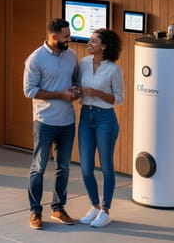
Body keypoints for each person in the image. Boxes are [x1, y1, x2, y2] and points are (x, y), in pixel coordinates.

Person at [23, 18, 82, 230]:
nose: (69, 39)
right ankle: (35, 212)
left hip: (67, 122)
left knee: (63, 168)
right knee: (38, 168)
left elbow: (75, 81)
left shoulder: (71, 56)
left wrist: (75, 91)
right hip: (45, 121)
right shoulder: (36, 59)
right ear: (53, 37)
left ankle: (58, 208)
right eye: (66, 37)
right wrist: (60, 94)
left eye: (69, 35)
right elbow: (29, 90)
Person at [76, 28, 124, 228]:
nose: (89, 43)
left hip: (105, 118)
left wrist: (96, 92)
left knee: (106, 167)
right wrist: (76, 91)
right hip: (86, 116)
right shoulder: (84, 63)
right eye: (89, 40)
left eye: (93, 41)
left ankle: (105, 210)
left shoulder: (114, 70)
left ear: (104, 46)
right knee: (86, 167)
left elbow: (119, 99)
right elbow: (79, 87)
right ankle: (94, 206)